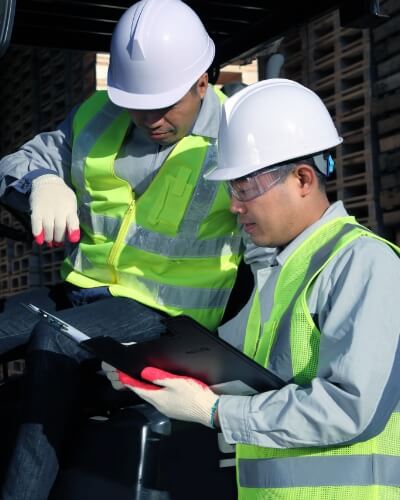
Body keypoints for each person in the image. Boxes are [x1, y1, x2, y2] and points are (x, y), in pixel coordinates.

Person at [0, 0, 257, 498]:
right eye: (138, 101)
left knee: (55, 340)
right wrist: (42, 181)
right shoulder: (97, 115)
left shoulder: (237, 133)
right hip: (84, 293)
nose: (150, 117)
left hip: (167, 316)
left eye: (165, 102)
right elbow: (21, 159)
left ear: (202, 81)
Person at [106, 79, 400, 499]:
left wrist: (216, 412)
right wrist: (150, 372)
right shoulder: (278, 271)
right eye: (231, 188)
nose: (233, 205)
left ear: (302, 179)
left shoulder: (363, 263)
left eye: (244, 186)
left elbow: (350, 407)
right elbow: (262, 387)